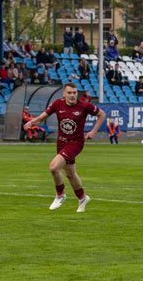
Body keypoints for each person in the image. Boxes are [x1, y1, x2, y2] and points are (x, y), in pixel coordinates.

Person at [23, 83, 106, 212]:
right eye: (69, 93)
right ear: (64, 93)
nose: (72, 95)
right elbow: (42, 117)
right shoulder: (57, 104)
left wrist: (93, 132)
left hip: (75, 143)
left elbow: (102, 114)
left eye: (74, 92)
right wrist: (31, 122)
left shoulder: (84, 106)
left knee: (53, 167)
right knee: (70, 174)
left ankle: (60, 195)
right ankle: (82, 198)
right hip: (61, 142)